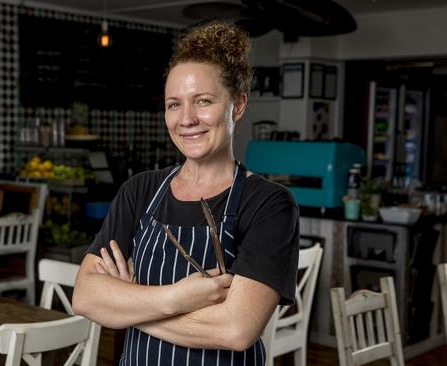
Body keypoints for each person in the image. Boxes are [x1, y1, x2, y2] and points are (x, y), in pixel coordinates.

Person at [73, 21, 299, 366]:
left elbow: (236, 330)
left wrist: (129, 304)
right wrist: (179, 297)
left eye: (203, 101)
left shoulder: (269, 203)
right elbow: (86, 297)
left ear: (237, 106)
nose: (187, 119)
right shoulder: (140, 190)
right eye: (174, 104)